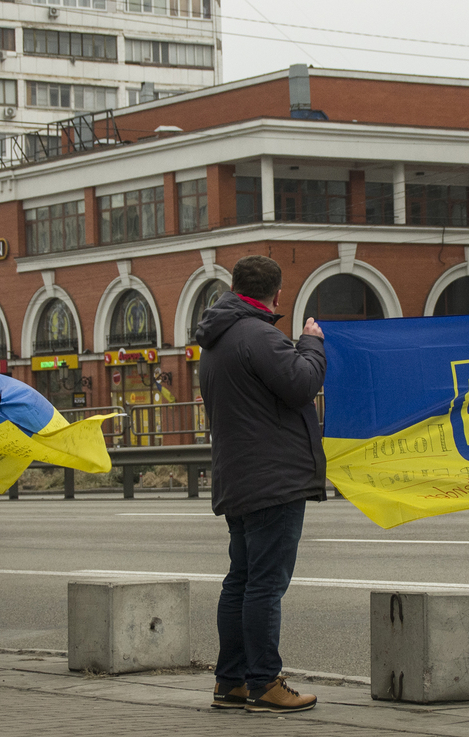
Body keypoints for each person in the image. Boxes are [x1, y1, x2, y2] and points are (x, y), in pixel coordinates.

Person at [194, 255, 327, 714]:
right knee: (265, 585)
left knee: (242, 581)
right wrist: (311, 344)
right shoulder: (260, 335)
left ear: (235, 287)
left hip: (238, 477)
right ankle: (265, 682)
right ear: (278, 294)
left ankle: (230, 682)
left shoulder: (216, 340)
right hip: (274, 478)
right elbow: (301, 384)